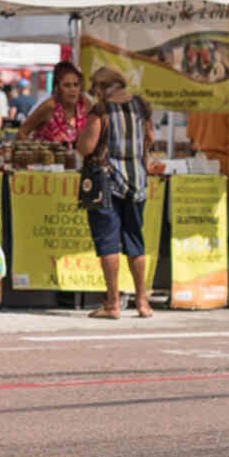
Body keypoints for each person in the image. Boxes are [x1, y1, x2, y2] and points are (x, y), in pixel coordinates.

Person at [77, 66, 155, 320]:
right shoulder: (141, 106)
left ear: (101, 87)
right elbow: (151, 138)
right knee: (135, 240)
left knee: (108, 241)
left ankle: (113, 304)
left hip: (106, 183)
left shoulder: (101, 110)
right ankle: (142, 302)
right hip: (137, 181)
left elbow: (87, 147)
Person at [15, 61, 88, 145]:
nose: (72, 89)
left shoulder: (84, 104)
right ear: (57, 88)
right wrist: (37, 150)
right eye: (67, 85)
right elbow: (21, 133)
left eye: (76, 85)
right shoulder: (50, 106)